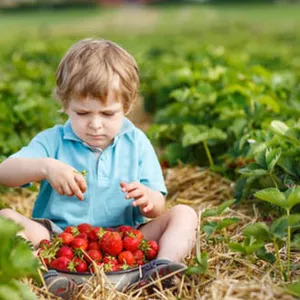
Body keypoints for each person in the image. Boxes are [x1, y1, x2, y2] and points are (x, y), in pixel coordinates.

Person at [0, 38, 198, 298]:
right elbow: (5, 172)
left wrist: (147, 199)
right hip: (58, 240)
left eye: (107, 114)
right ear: (65, 104)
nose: (95, 124)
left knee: (185, 214)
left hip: (127, 239)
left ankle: (162, 268)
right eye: (82, 113)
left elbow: (158, 206)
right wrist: (45, 167)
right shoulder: (52, 141)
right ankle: (46, 273)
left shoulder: (136, 142)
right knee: (5, 217)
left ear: (127, 107)